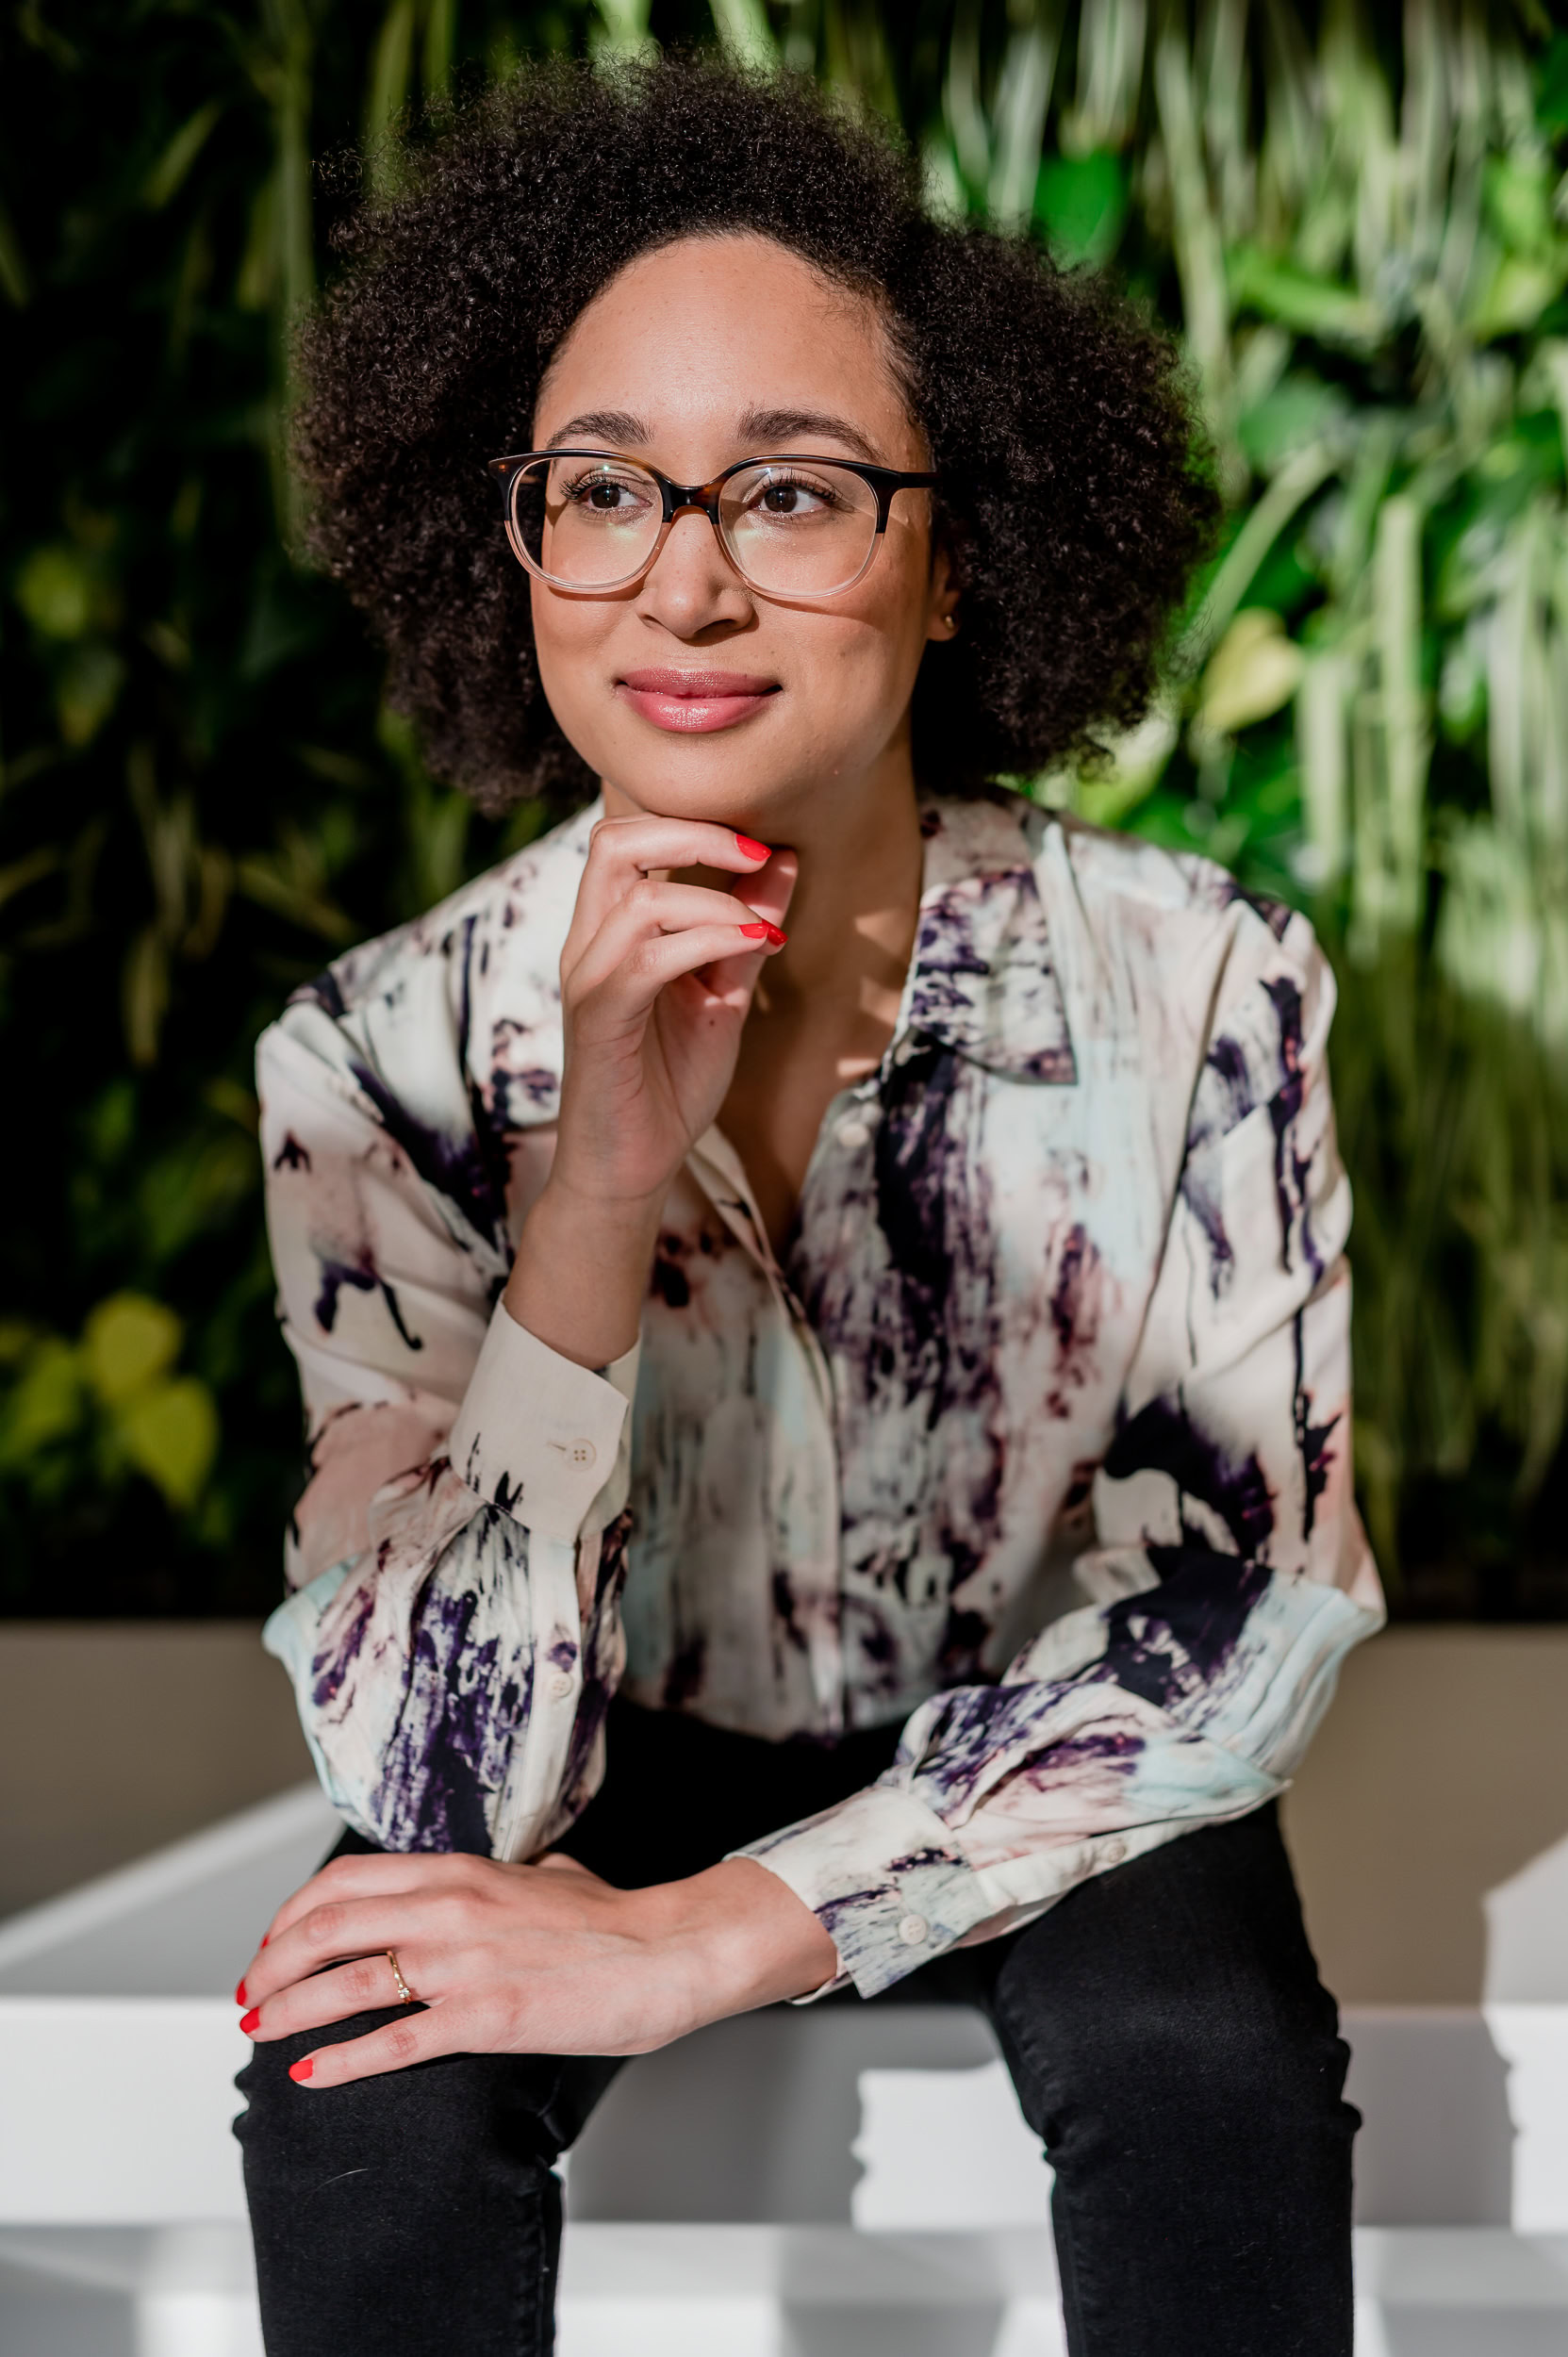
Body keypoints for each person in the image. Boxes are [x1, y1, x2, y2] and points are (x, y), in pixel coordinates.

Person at [232, 52, 1382, 2357]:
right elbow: (438, 1780)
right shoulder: (378, 1056)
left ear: (951, 561)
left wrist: (706, 1935)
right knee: (357, 2064)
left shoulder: (1198, 986)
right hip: (602, 1728)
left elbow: (1236, 1620)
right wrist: (590, 1193)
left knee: (1204, 2055)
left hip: (1032, 1717)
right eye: (600, 489)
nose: (682, 580)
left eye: (787, 491)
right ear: (517, 545)